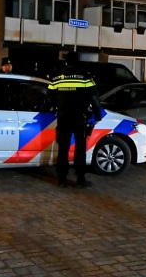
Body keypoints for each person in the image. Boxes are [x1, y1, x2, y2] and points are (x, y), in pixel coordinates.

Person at [47, 51, 103, 188]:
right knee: (80, 148)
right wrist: (97, 116)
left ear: (66, 62)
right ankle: (80, 179)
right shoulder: (85, 77)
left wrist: (56, 107)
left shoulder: (57, 78)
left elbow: (49, 97)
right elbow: (94, 98)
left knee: (63, 148)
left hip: (63, 117)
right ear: (78, 61)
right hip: (80, 117)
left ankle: (61, 179)